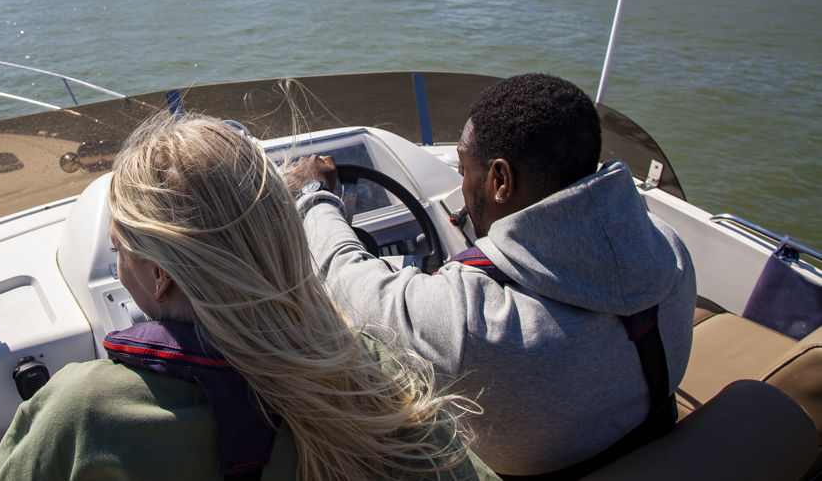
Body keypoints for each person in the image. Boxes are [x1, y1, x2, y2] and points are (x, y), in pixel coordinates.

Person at [0, 113, 497, 481]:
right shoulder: (366, 372)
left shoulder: (83, 414)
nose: (119, 268)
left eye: (121, 249)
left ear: (161, 274)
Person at [294, 73, 697, 477]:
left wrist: (314, 196)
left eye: (465, 167)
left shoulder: (472, 322)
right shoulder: (668, 249)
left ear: (501, 181)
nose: (463, 184)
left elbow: (344, 279)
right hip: (646, 437)